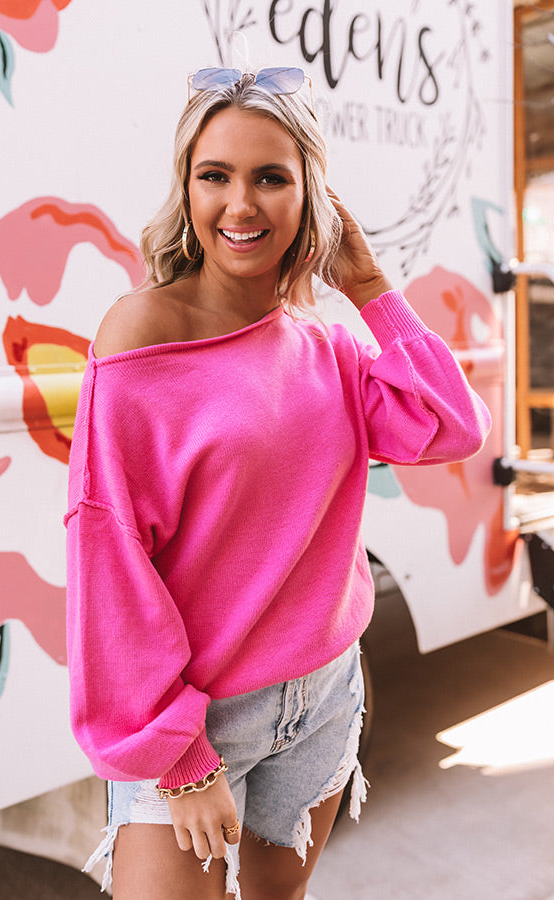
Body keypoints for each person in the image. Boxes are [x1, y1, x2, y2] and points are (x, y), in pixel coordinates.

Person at [65, 67, 491, 900]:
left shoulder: (325, 345)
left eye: (270, 177)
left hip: (325, 692)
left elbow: (454, 425)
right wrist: (181, 757)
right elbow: (109, 558)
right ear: (186, 188)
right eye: (214, 175)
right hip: (196, 717)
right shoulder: (142, 331)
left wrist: (369, 288)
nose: (240, 204)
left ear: (310, 195)